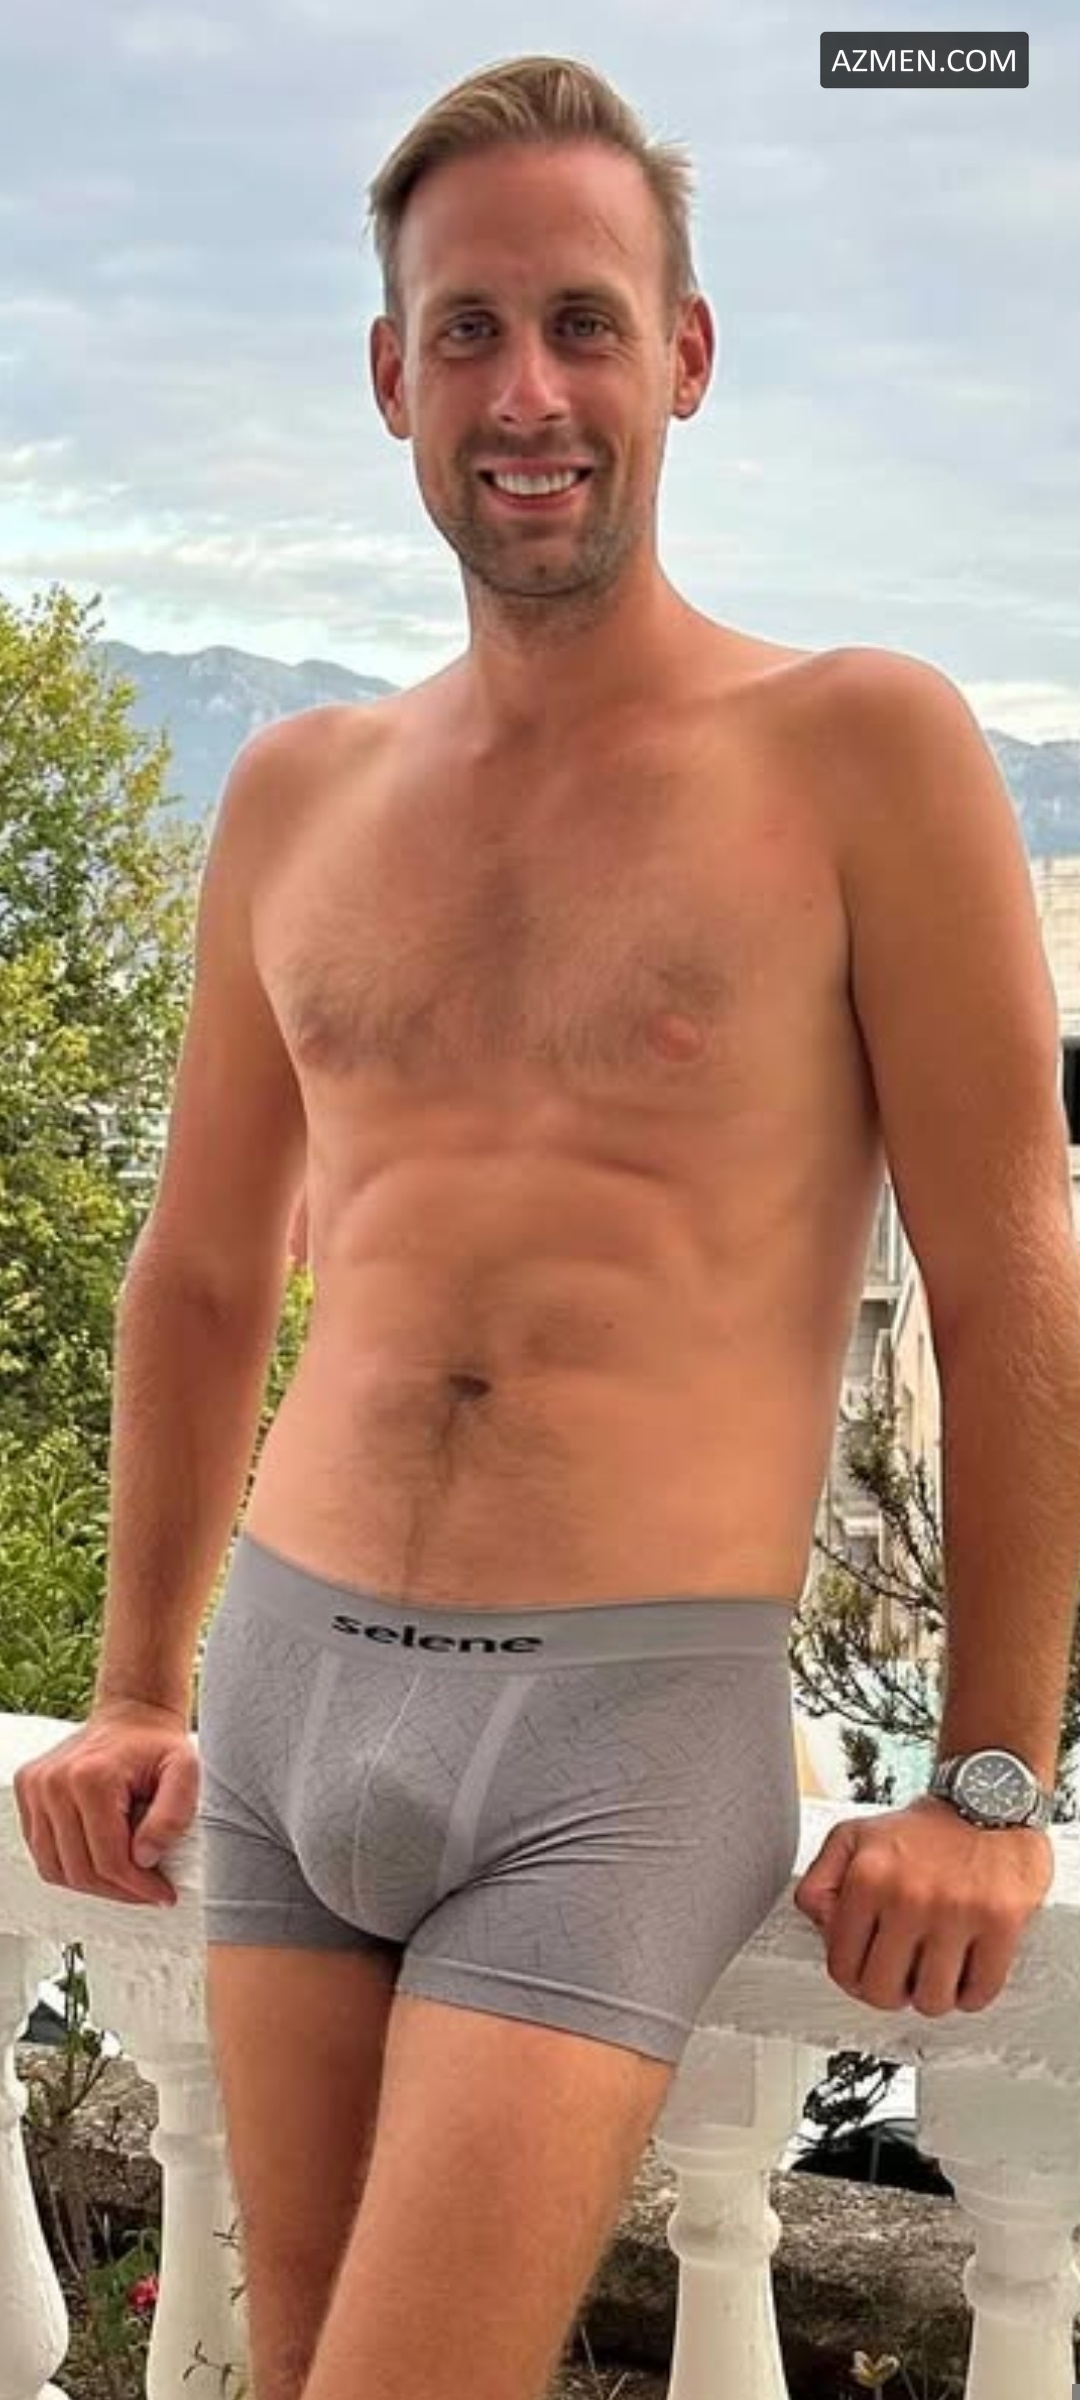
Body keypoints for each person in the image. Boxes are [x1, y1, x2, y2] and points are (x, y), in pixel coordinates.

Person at [14, 53, 1079, 2400]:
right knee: (290, 2365)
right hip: (290, 1692)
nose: (527, 393)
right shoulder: (295, 791)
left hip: (623, 1725)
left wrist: (994, 1777)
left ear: (681, 355)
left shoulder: (861, 750)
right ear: (390, 376)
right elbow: (204, 1270)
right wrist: (136, 1682)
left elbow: (1010, 1274)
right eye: (468, 331)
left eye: (582, 323)